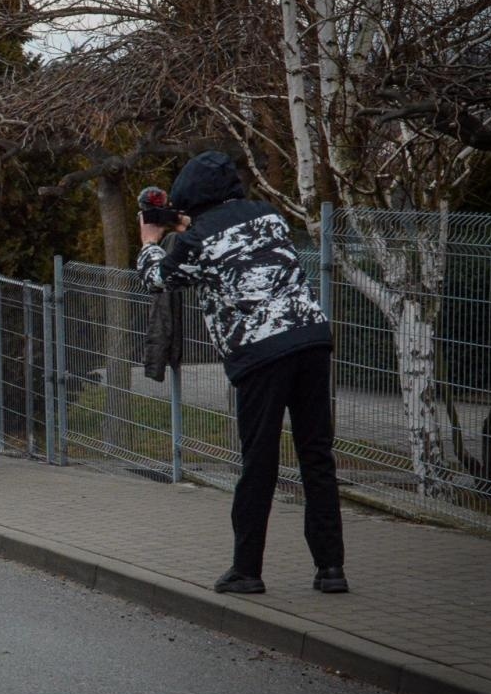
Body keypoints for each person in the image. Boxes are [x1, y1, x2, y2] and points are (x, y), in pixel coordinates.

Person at [136, 151, 347, 595]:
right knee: (316, 455)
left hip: (260, 353)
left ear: (187, 195)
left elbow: (158, 279)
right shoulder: (268, 217)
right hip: (310, 339)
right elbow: (232, 242)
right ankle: (331, 569)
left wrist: (151, 240)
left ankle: (247, 571)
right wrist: (184, 228)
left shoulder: (197, 241)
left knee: (259, 461)